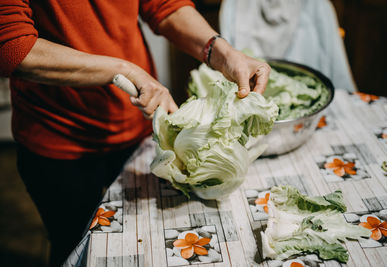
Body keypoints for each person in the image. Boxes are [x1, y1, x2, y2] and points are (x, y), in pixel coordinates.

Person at [0, 0, 271, 265]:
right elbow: (12, 47)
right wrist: (123, 69)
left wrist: (221, 52)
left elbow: (164, 5)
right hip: (58, 138)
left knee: (142, 241)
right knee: (74, 245)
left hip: (136, 126)